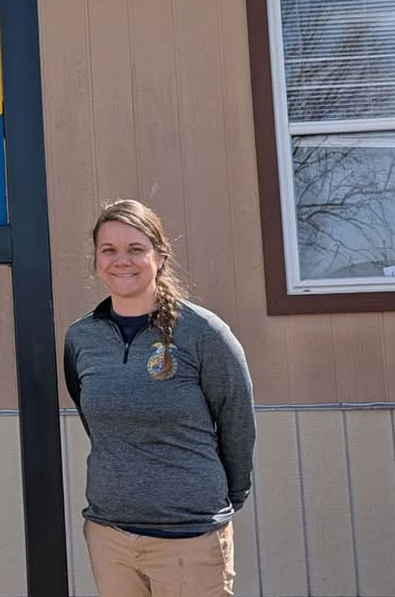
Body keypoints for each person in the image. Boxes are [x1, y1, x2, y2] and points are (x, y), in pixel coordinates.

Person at [64, 199, 255, 597]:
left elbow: (236, 419)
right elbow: (97, 422)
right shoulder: (81, 338)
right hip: (110, 536)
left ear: (159, 256)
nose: (122, 261)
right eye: (109, 250)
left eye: (136, 249)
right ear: (96, 259)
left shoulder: (203, 333)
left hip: (190, 537)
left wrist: (225, 499)